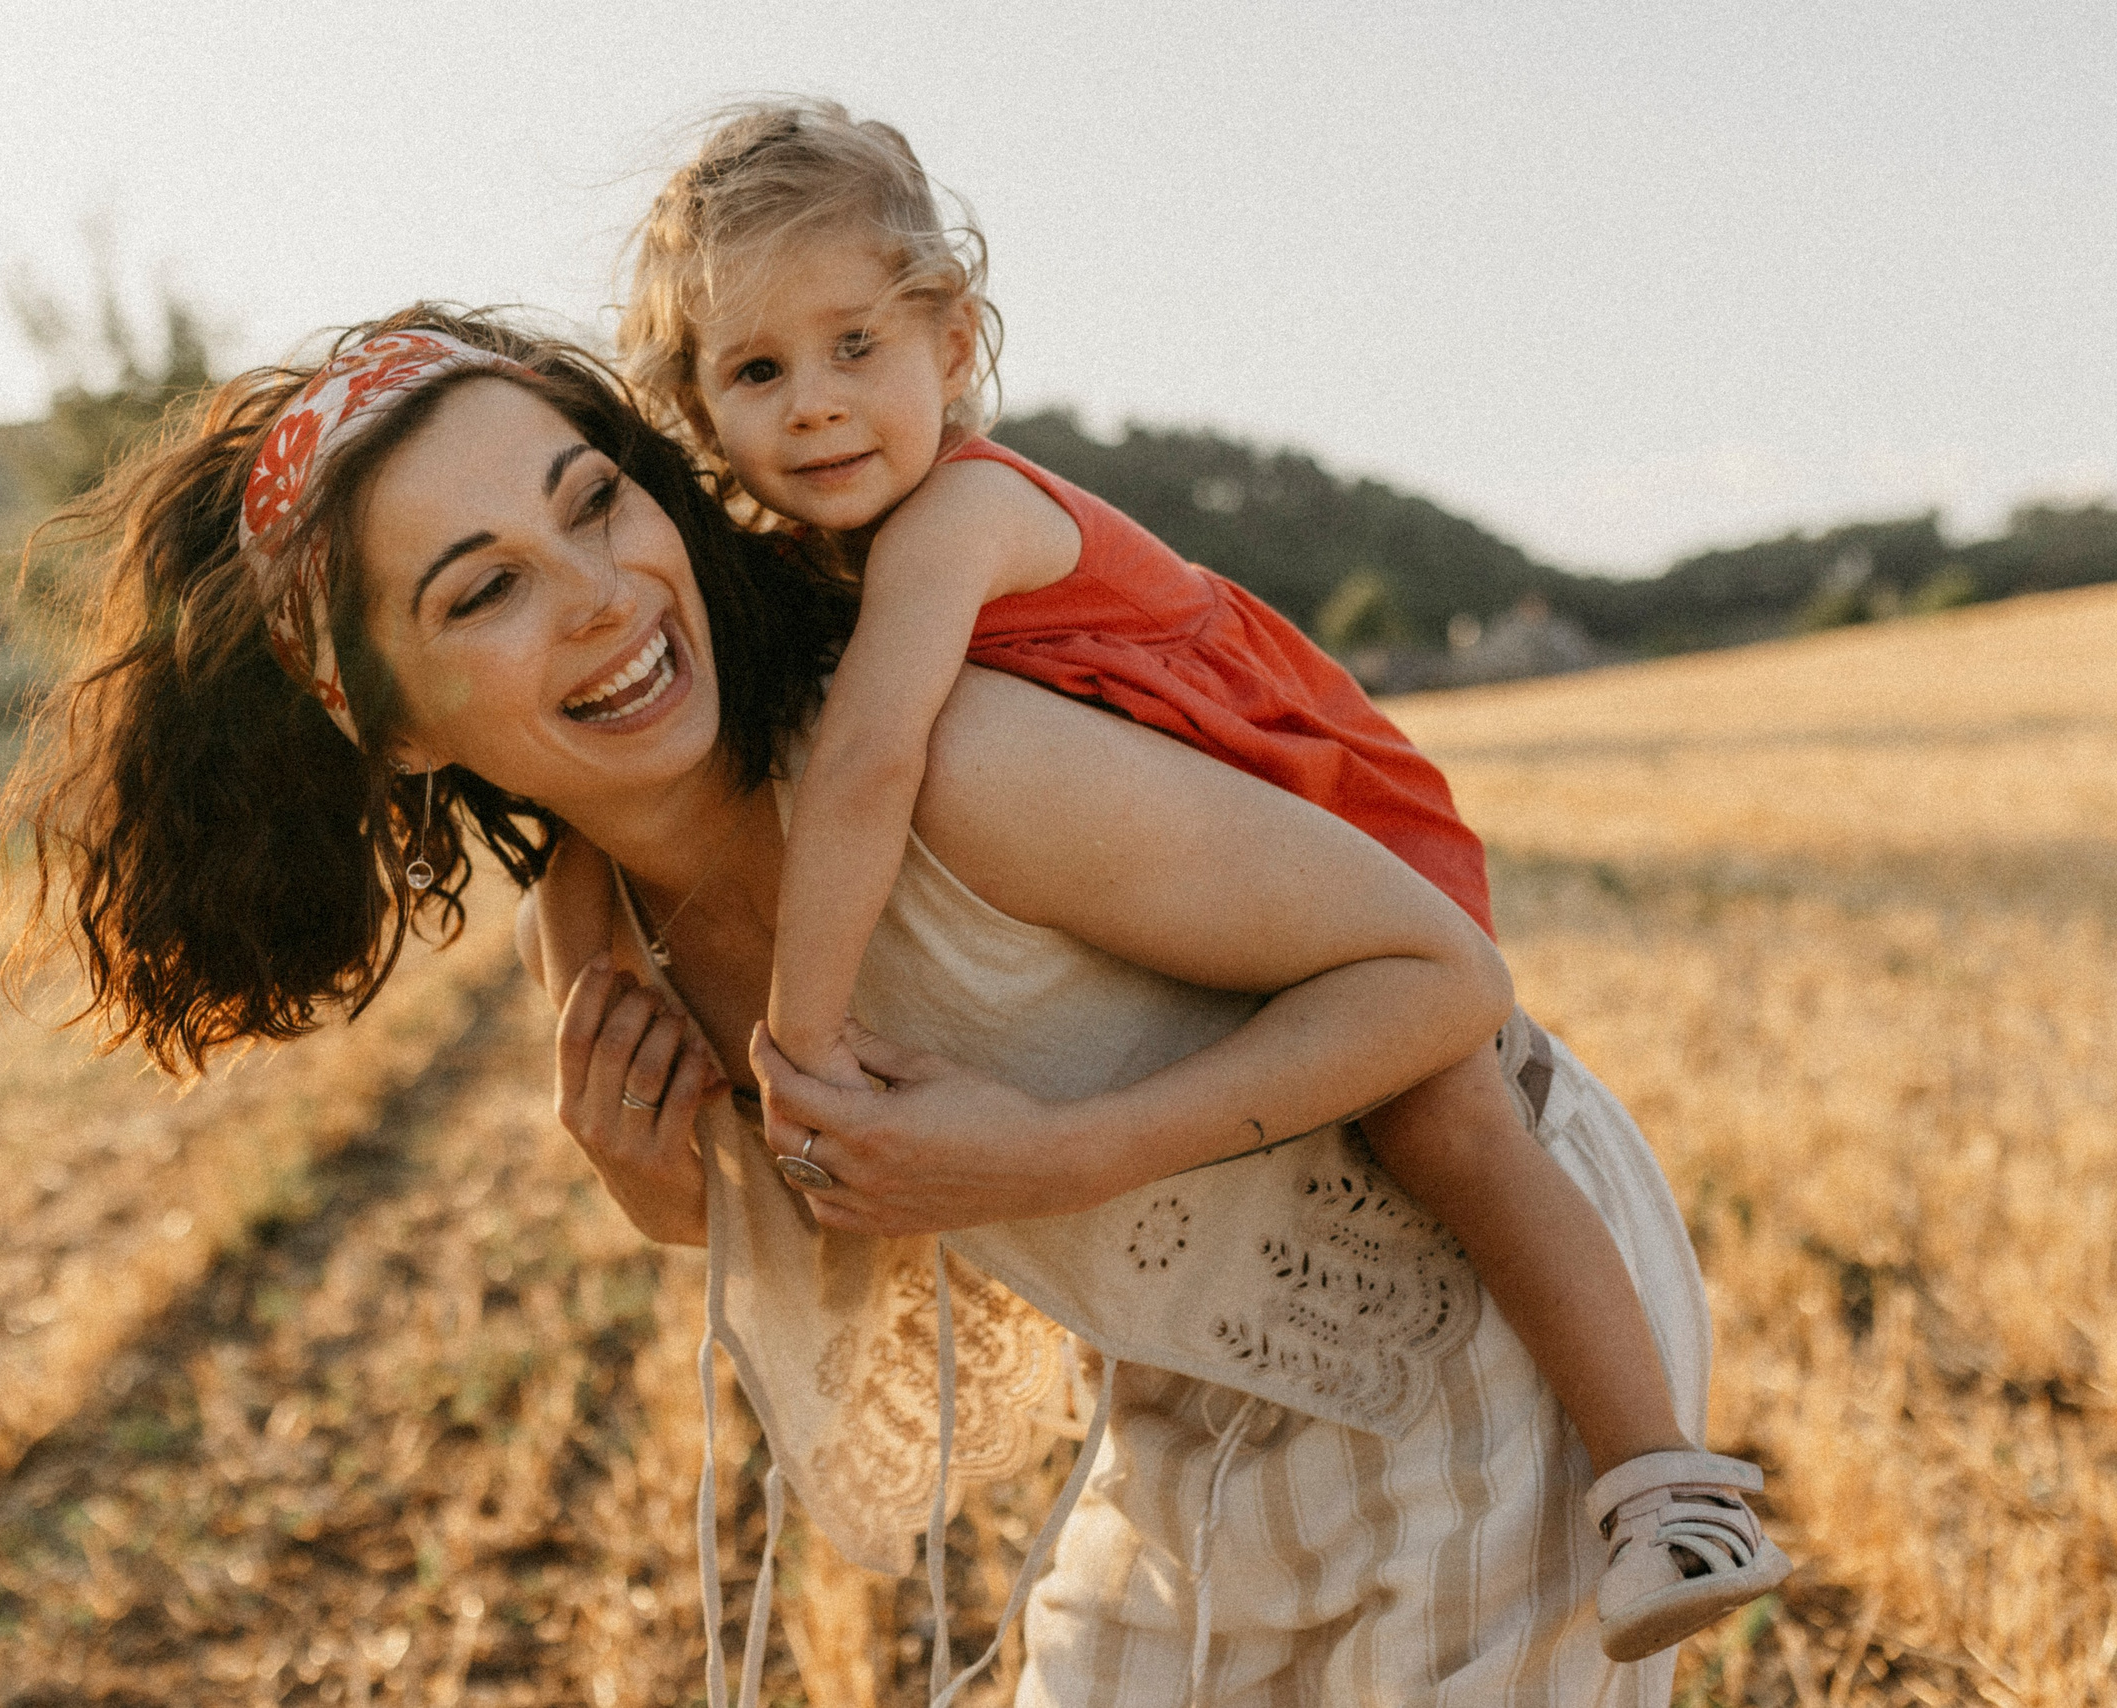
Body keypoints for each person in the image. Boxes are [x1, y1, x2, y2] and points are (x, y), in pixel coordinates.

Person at [2, 305, 1770, 1705]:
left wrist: (1056, 1155)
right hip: (1197, 1396)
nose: (604, 595)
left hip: (1492, 1320)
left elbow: (1444, 981)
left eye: (594, 500)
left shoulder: (947, 769)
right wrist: (669, 1196)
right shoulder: (594, 925)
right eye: (484, 592)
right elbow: (850, 1202)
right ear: (386, 722)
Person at [608, 99, 1785, 1666]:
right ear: (699, 408)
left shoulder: (958, 514)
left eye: (853, 347)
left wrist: (801, 1041)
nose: (814, 407)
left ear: (951, 346)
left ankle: (1662, 1481)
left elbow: (871, 767)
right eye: (757, 372)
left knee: (1439, 1106)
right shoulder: (831, 556)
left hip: (1329, 813)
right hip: (1217, 864)